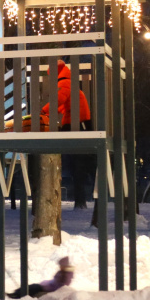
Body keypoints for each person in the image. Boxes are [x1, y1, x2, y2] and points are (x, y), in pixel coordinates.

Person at [41, 59, 94, 211]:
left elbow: (59, 100)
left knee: (70, 157)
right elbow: (64, 105)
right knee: (79, 162)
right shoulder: (69, 84)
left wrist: (44, 111)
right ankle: (80, 198)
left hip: (77, 125)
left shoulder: (64, 84)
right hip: (78, 123)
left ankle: (79, 198)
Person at [8, 256, 74, 299]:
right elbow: (55, 281)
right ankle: (15, 293)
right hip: (48, 286)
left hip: (51, 290)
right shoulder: (62, 272)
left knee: (34, 288)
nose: (60, 266)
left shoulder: (66, 274)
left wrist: (48, 286)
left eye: (61, 265)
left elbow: (61, 286)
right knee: (32, 286)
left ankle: (17, 296)